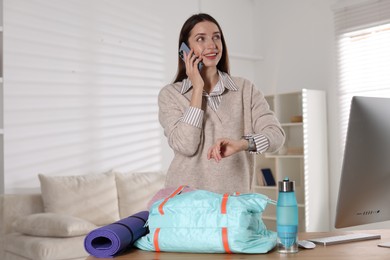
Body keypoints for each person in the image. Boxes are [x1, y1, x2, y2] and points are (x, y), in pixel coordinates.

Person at [158, 13, 285, 194]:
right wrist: (197, 88)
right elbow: (186, 145)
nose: (211, 45)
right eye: (201, 39)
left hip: (233, 205)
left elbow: (276, 136)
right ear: (185, 50)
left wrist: (243, 144)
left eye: (216, 37)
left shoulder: (245, 89)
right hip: (185, 206)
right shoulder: (170, 95)